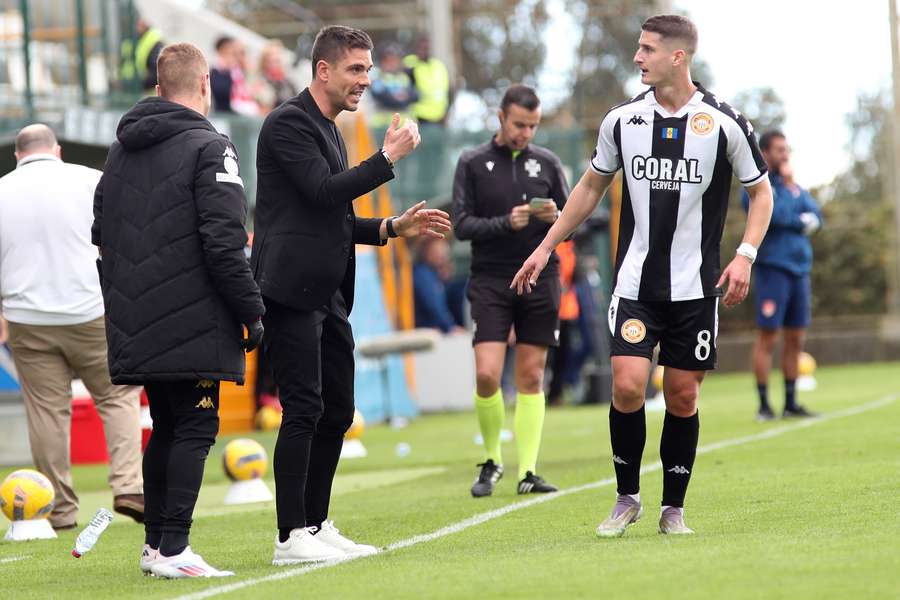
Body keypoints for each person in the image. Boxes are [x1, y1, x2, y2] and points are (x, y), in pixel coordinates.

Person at [512, 15, 774, 536]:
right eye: (638, 47)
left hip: (696, 288)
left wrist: (745, 254)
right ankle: (626, 497)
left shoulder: (725, 122)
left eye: (647, 49)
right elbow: (589, 188)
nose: (638, 57)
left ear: (678, 56)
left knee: (682, 396)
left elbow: (761, 191)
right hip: (634, 285)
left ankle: (672, 508)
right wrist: (545, 247)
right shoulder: (622, 121)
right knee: (628, 386)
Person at [251, 25, 450, 565]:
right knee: (302, 409)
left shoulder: (331, 128)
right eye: (356, 69)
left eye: (367, 69)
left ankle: (315, 524)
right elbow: (321, 191)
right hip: (290, 291)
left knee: (338, 410)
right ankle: (289, 536)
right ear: (323, 70)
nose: (366, 79)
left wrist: (390, 227)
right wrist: (386, 160)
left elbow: (330, 213)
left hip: (328, 293)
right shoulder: (287, 123)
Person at [93, 43, 265, 577]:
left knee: (166, 425)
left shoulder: (120, 151)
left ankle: (155, 547)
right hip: (194, 314)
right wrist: (251, 309)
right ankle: (174, 549)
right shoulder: (211, 146)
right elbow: (224, 240)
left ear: (159, 86)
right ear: (206, 86)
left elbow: (101, 235)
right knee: (193, 426)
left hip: (134, 314)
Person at [0, 124, 145, 531]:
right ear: (58, 150)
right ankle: (128, 485)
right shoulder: (89, 180)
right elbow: (122, 239)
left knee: (47, 412)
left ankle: (59, 510)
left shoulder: (2, 190)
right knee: (117, 397)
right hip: (91, 310)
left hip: (28, 318)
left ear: (17, 156)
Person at [452, 84, 569, 497]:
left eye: (533, 126)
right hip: (490, 279)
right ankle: (492, 459)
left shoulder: (549, 163)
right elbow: (461, 225)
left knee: (531, 375)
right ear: (501, 118)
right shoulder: (471, 162)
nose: (526, 133)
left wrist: (555, 218)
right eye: (520, 124)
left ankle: (529, 471)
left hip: (541, 278)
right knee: (487, 373)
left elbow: (573, 222)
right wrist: (508, 222)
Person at [743, 131, 822, 420]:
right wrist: (796, 216)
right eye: (778, 150)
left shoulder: (795, 188)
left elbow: (817, 217)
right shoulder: (759, 186)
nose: (784, 155)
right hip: (773, 271)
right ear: (765, 153)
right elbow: (774, 216)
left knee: (795, 339)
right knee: (768, 337)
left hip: (800, 272)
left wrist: (794, 197)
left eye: (786, 149)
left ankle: (791, 403)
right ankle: (764, 404)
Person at [547, 240, 580, 405]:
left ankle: (555, 393)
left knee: (563, 353)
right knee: (549, 353)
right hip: (551, 309)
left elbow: (573, 276)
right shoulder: (554, 245)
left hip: (566, 310)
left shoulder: (570, 246)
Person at [413, 237, 463, 333]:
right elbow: (433, 307)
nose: (444, 256)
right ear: (427, 252)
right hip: (425, 331)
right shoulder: (423, 274)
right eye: (438, 251)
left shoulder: (433, 275)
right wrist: (450, 327)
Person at [369, 43, 418, 128]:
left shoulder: (403, 77)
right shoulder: (377, 77)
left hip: (404, 125)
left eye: (394, 60)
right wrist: (400, 97)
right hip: (383, 126)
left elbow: (415, 95)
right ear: (381, 62)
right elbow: (383, 97)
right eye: (387, 60)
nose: (391, 63)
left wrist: (402, 96)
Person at [403, 35, 450, 125]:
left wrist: (446, 112)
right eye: (421, 48)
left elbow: (447, 92)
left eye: (426, 48)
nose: (423, 51)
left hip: (439, 117)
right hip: (419, 116)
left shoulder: (439, 66)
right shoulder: (411, 64)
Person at [210, 36, 261, 116]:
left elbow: (255, 91)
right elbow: (221, 92)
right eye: (228, 52)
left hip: (242, 114)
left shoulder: (239, 71)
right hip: (223, 115)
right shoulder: (216, 71)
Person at [119, 15, 164, 94]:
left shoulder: (153, 40)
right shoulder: (138, 39)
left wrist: (137, 84)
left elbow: (156, 74)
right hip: (134, 90)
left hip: (147, 93)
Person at [258, 40, 298, 112]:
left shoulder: (288, 80)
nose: (276, 57)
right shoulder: (261, 80)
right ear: (265, 61)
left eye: (278, 60)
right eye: (273, 61)